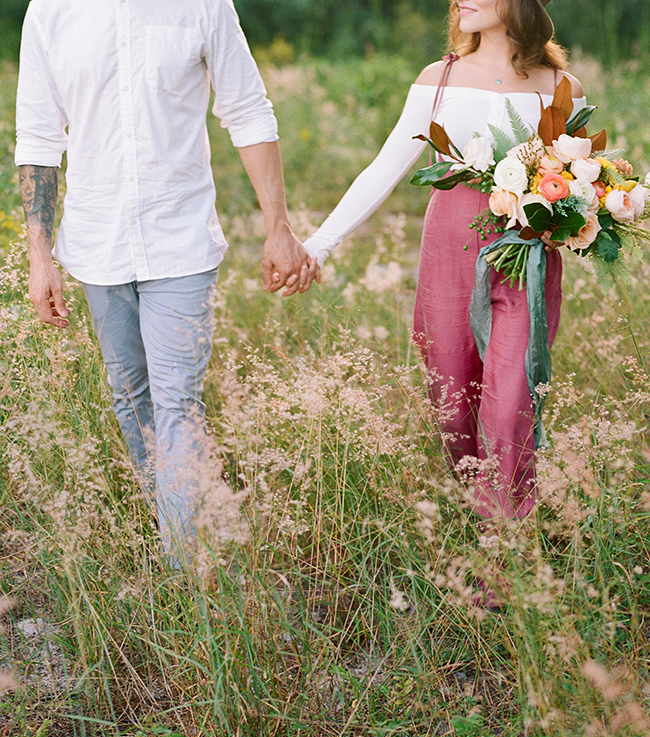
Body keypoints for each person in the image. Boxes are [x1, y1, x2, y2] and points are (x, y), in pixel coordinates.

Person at [15, 0, 319, 563]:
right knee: (129, 395)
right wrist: (39, 252)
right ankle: (179, 519)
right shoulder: (50, 10)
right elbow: (37, 137)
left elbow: (249, 111)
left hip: (179, 237)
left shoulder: (203, 5)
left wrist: (279, 227)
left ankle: (184, 567)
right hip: (96, 240)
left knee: (178, 400)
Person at [304, 0, 584, 568]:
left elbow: (578, 177)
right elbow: (384, 168)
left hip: (526, 256)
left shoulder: (561, 85)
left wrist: (587, 210)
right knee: (454, 401)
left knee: (510, 404)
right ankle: (476, 507)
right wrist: (318, 245)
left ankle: (501, 560)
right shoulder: (440, 80)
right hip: (451, 252)